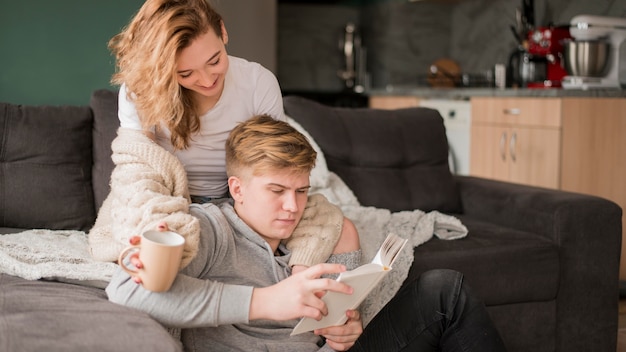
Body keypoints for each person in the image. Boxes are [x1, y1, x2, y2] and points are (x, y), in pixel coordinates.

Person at [106, 115, 507, 352]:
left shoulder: (315, 234)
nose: (292, 207)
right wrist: (265, 301)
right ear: (237, 188)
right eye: (277, 191)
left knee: (445, 289)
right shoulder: (210, 229)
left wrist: (347, 330)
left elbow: (344, 323)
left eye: (300, 191)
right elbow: (126, 289)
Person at [88, 0, 358, 271]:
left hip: (240, 204)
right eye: (185, 73)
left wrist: (290, 247)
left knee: (337, 226)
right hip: (166, 200)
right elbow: (137, 175)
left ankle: (329, 300)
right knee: (152, 240)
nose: (206, 80)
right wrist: (158, 226)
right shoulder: (140, 92)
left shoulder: (256, 82)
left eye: (214, 60)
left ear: (223, 31)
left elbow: (275, 164)